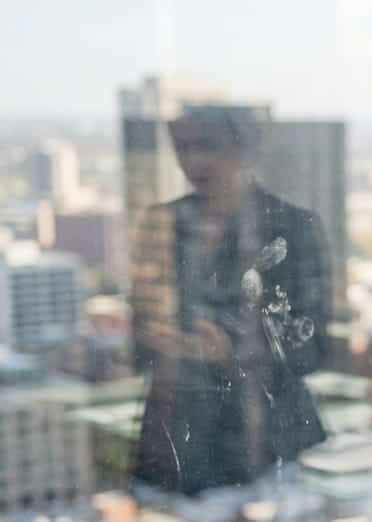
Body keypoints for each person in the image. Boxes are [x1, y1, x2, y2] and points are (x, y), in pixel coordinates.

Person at [129, 103, 330, 497]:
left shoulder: (291, 226)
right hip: (175, 445)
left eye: (208, 146)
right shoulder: (162, 223)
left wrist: (230, 351)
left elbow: (312, 348)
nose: (194, 161)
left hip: (267, 449)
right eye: (183, 147)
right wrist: (154, 336)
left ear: (243, 149)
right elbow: (138, 338)